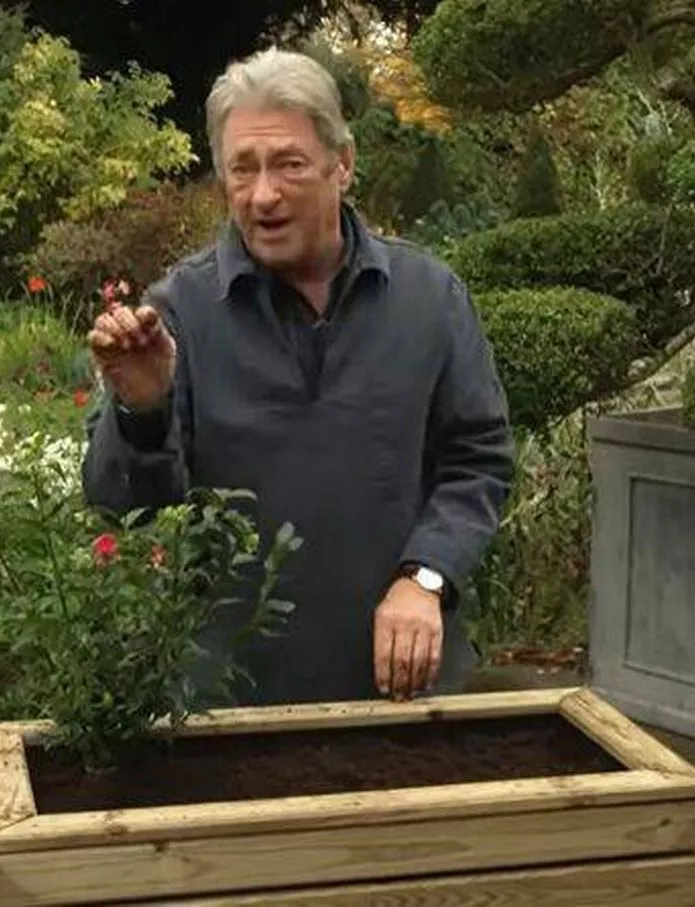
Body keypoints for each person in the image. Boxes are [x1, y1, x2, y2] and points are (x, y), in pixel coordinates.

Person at [81, 47, 514, 707]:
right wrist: (143, 410)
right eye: (242, 169)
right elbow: (127, 509)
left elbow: (478, 460)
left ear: (342, 164)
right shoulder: (177, 314)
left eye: (288, 164)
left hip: (406, 689)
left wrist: (425, 576)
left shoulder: (429, 298)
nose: (262, 196)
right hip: (232, 704)